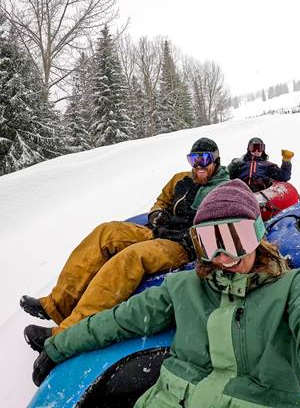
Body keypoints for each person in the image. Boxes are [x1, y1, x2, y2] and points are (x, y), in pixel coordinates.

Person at [31, 179, 300, 407]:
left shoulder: (295, 288)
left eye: (236, 238)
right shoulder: (183, 288)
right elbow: (118, 320)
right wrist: (58, 346)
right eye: (211, 242)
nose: (224, 257)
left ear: (258, 234)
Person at [21, 137, 230, 352]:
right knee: (106, 232)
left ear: (216, 160)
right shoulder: (180, 179)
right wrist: (157, 214)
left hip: (181, 245)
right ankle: (57, 304)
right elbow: (162, 201)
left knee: (131, 258)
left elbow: (220, 226)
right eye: (193, 159)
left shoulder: (222, 189)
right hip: (157, 231)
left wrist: (192, 235)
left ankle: (67, 332)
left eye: (204, 159)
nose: (198, 165)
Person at [227, 137, 294, 192]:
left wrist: (286, 161)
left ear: (263, 150)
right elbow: (226, 177)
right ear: (248, 149)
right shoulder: (239, 163)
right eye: (253, 148)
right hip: (241, 193)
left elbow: (284, 177)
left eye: (259, 148)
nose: (256, 151)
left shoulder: (268, 165)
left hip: (261, 194)